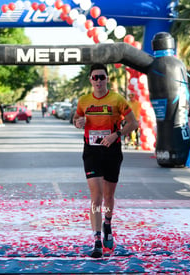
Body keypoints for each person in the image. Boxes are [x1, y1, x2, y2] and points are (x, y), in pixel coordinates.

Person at [73, 63, 138, 258]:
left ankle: (107, 223)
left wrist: (116, 134)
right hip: (91, 151)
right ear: (90, 80)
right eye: (95, 77)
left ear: (107, 78)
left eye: (102, 77)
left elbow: (134, 123)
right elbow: (76, 119)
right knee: (96, 196)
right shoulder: (84, 101)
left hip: (112, 151)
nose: (99, 81)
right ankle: (97, 240)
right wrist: (79, 122)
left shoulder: (117, 99)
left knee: (109, 196)